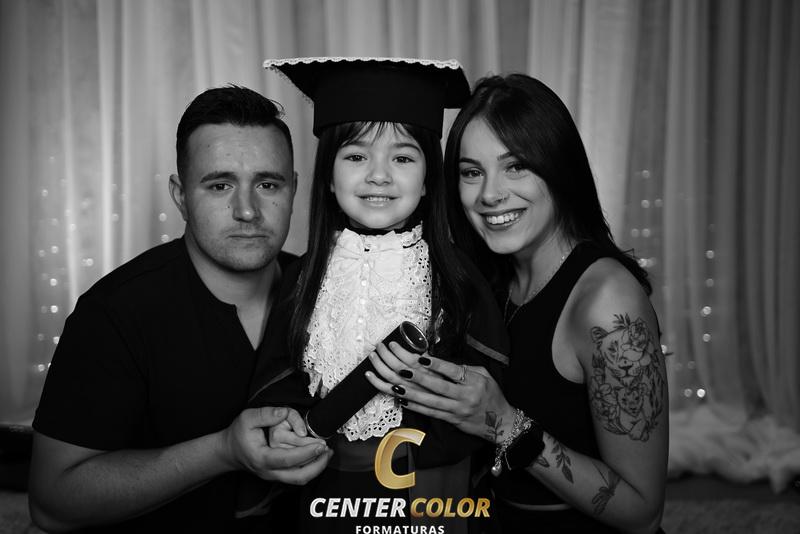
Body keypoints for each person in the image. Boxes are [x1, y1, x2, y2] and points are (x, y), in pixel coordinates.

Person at [366, 74, 668, 533]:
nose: (490, 194)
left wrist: (504, 424)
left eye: (516, 166)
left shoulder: (607, 303)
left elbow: (643, 513)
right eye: (472, 172)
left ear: (559, 168)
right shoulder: (486, 277)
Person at [28, 85, 332, 533]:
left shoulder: (327, 292)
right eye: (220, 185)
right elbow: (52, 504)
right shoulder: (114, 314)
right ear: (180, 196)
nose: (247, 211)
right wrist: (222, 451)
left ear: (294, 190)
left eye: (268, 184)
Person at [237, 58, 508, 533]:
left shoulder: (456, 278)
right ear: (328, 175)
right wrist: (287, 427)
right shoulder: (302, 277)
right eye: (356, 156)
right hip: (327, 487)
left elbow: (485, 389)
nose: (378, 175)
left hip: (425, 488)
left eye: (402, 158)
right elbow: (280, 376)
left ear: (428, 179)